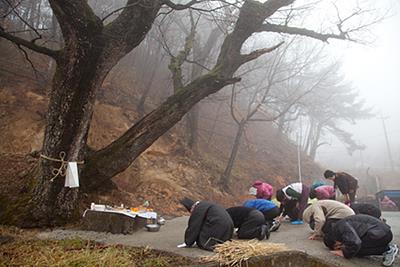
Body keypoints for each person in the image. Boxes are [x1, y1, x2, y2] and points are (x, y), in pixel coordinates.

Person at [323, 214, 398, 266]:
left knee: (356, 250)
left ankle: (388, 249)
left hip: (381, 234)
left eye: (338, 246)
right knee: (354, 249)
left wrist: (344, 253)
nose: (340, 247)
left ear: (335, 241)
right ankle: (387, 249)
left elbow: (355, 243)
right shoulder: (339, 226)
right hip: (381, 232)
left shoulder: (341, 227)